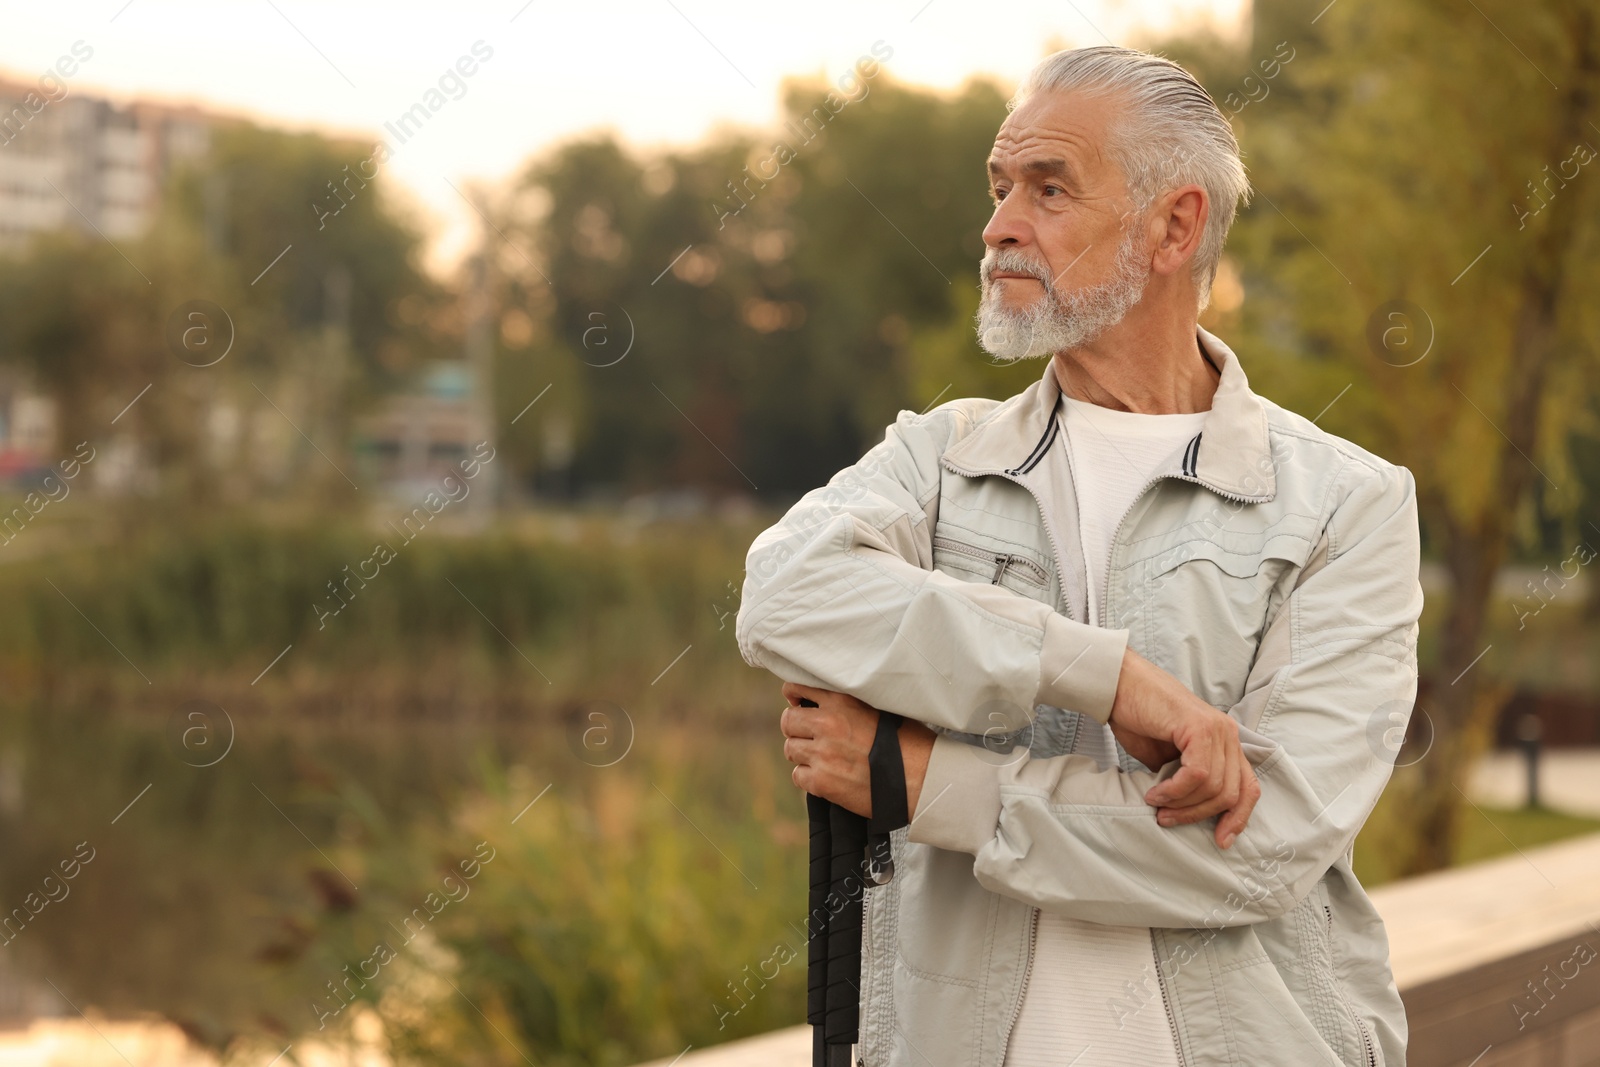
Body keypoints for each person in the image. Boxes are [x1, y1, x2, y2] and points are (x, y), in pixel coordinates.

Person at [734, 45, 1423, 1067]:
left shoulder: (1345, 504)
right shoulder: (936, 459)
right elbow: (782, 592)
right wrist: (1107, 679)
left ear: (1173, 226)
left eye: (1049, 190)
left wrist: (928, 785)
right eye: (1000, 186)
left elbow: (1256, 850)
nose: (998, 225)